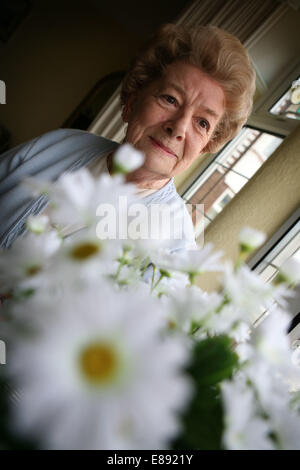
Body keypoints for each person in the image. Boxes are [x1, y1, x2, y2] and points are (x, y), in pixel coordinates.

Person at [0, 23, 256, 250]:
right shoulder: (59, 144)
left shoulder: (175, 248)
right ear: (132, 100)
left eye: (202, 122)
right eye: (170, 99)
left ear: (205, 146)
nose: (178, 128)